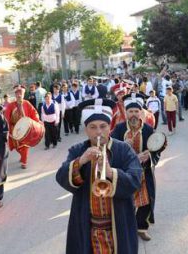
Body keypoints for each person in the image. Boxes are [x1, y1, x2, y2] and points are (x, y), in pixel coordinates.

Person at [56, 98, 142, 254]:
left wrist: (109, 172)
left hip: (119, 222)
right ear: (86, 129)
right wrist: (80, 161)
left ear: (110, 127)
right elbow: (61, 177)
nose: (98, 132)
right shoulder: (77, 150)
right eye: (92, 127)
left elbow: (135, 180)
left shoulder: (124, 149)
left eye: (103, 126)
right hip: (87, 224)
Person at [111, 93, 160, 241]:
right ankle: (126, 227)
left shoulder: (148, 130)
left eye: (136, 111)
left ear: (141, 113)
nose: (133, 114)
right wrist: (123, 148)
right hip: (124, 173)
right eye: (130, 111)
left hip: (144, 172)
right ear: (126, 113)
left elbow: (156, 148)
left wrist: (149, 156)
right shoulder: (118, 130)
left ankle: (141, 227)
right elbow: (110, 150)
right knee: (126, 201)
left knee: (145, 201)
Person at [4, 85, 42, 169]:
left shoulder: (27, 103)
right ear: (15, 94)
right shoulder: (10, 105)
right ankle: (22, 156)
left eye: (20, 93)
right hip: (15, 130)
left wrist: (36, 121)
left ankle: (24, 162)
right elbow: (6, 117)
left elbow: (34, 113)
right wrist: (7, 128)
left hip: (26, 130)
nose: (19, 95)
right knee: (17, 147)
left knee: (25, 146)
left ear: (23, 94)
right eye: (17, 93)